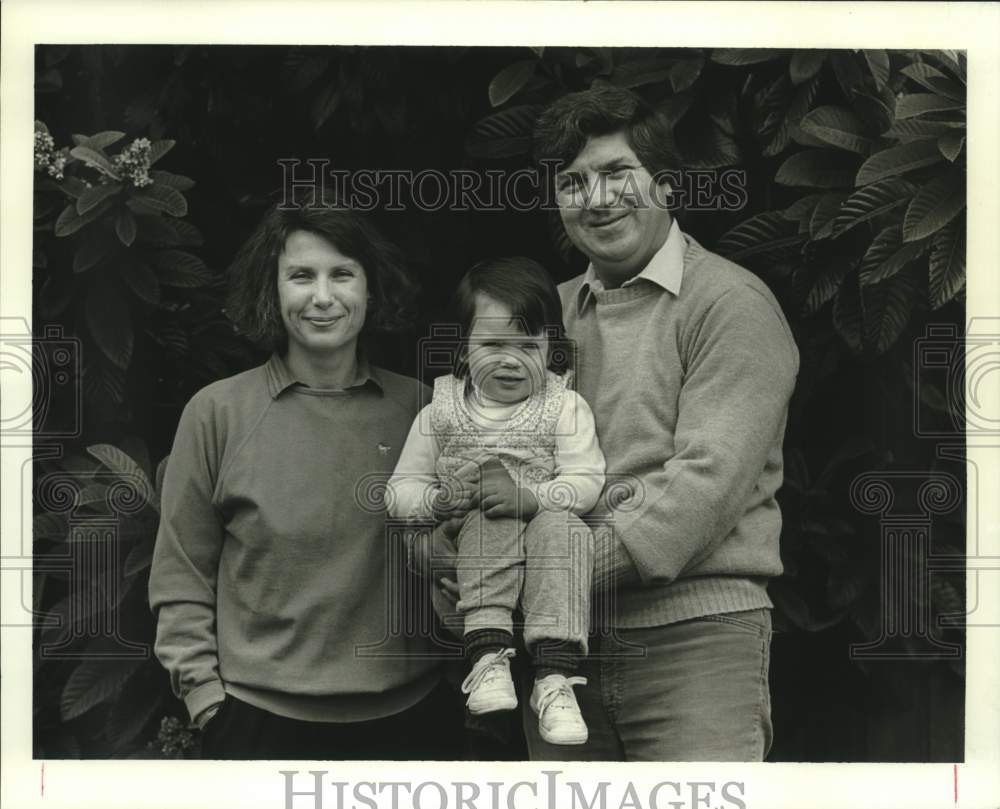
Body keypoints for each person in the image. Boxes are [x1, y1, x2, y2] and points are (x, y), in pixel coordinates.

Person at [515, 84, 800, 761]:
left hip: (697, 639)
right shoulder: (543, 318)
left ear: (666, 186)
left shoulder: (729, 303)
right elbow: (495, 459)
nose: (598, 197)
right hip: (561, 653)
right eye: (575, 181)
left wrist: (539, 580)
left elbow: (700, 491)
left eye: (618, 173)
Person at [147, 193, 463, 760]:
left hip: (413, 721)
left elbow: (459, 551)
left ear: (371, 288)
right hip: (256, 723)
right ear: (272, 290)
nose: (322, 297)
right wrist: (205, 700)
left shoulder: (423, 409)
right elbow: (182, 575)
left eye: (342, 273)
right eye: (300, 275)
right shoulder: (216, 413)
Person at [387, 257, 606, 746]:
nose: (511, 360)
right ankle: (487, 658)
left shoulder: (563, 407)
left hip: (547, 577)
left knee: (565, 525)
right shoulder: (439, 411)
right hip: (467, 586)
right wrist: (439, 500)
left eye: (529, 345)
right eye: (492, 345)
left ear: (552, 350)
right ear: (463, 350)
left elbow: (587, 480)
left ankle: (554, 676)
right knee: (490, 515)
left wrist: (530, 497)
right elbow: (398, 491)